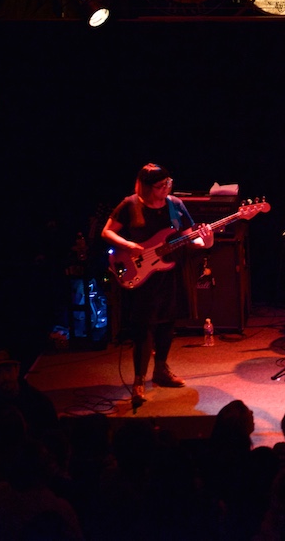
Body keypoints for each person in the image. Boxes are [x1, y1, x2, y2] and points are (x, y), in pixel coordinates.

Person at [101, 163, 213, 404]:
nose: (166, 189)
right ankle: (139, 379)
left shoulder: (176, 205)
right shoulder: (130, 204)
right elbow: (107, 232)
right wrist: (129, 245)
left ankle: (161, 370)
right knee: (143, 328)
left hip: (170, 272)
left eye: (168, 183)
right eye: (160, 186)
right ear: (146, 187)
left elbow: (186, 236)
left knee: (167, 324)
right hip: (141, 273)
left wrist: (204, 240)